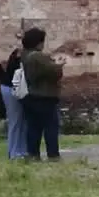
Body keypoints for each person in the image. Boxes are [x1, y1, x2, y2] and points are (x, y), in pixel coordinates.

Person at [19, 27, 64, 161]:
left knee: (33, 127)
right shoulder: (38, 57)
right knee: (50, 126)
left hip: (30, 96)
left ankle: (32, 154)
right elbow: (53, 72)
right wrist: (59, 65)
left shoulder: (24, 55)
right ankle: (53, 154)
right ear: (39, 42)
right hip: (45, 96)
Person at [0, 49, 27, 159]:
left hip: (11, 87)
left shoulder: (19, 54)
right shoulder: (20, 57)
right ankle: (14, 152)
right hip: (11, 88)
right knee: (16, 121)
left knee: (21, 121)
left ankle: (19, 151)